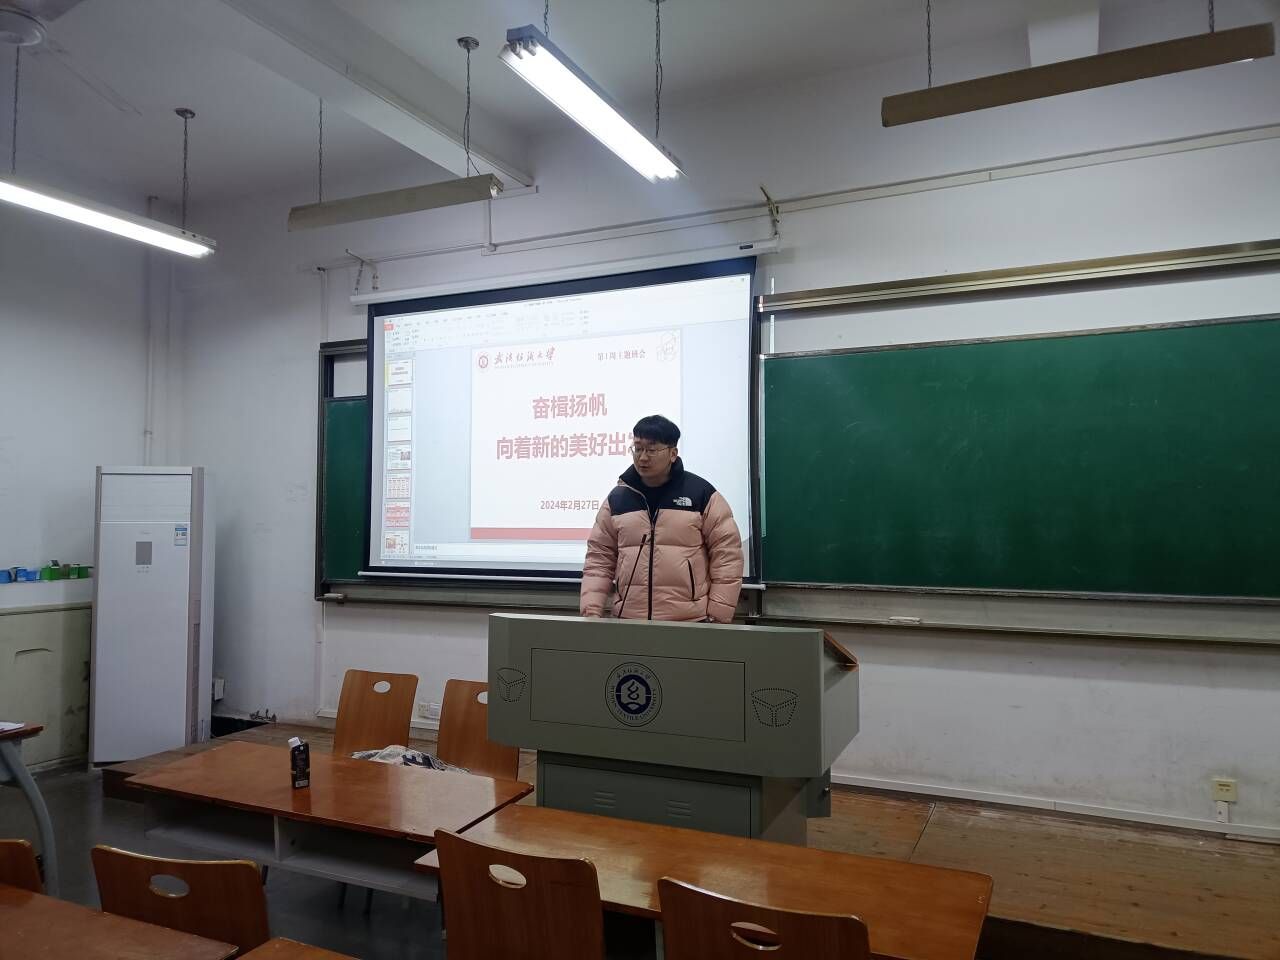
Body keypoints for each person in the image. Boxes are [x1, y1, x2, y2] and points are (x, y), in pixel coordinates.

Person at [580, 414, 743, 622]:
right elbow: (599, 558)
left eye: (651, 450)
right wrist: (591, 612)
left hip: (689, 622)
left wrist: (718, 616)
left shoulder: (701, 494)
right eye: (638, 448)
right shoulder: (618, 499)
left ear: (673, 453)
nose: (642, 457)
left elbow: (727, 555)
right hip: (629, 620)